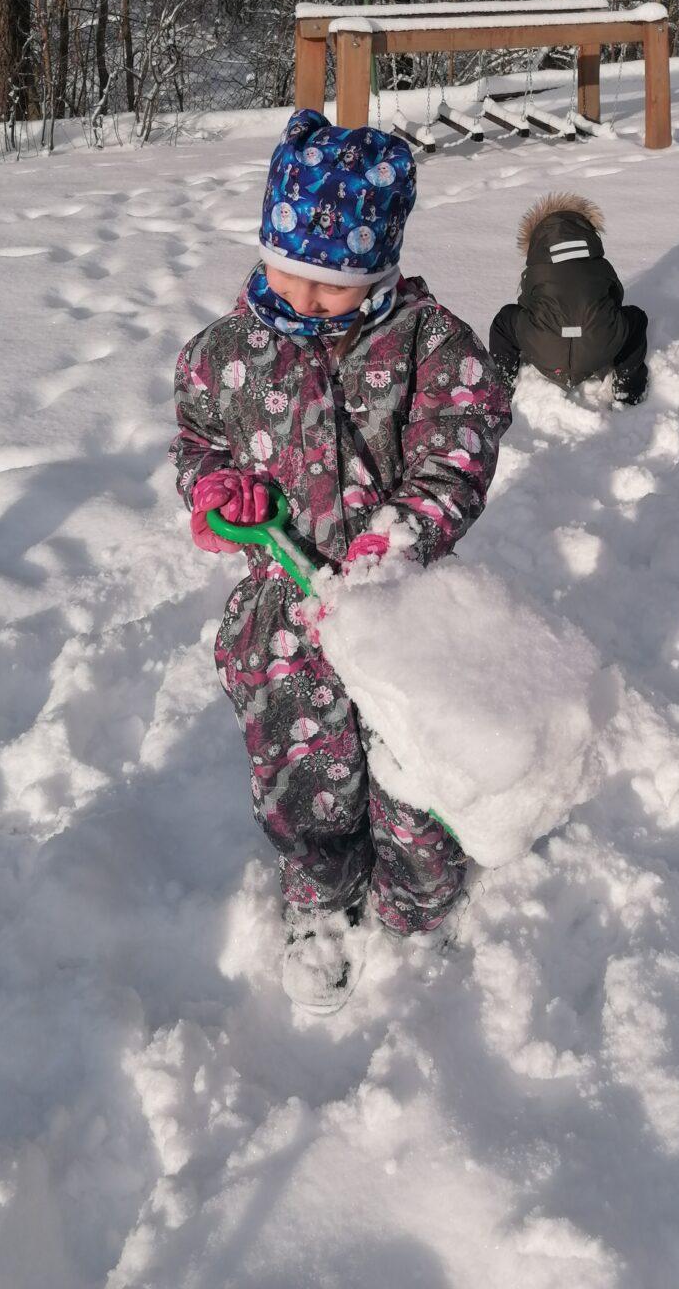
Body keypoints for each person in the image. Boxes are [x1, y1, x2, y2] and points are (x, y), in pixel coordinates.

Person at [170, 109, 511, 1005]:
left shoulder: (432, 344)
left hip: (399, 605)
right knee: (303, 767)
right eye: (294, 272)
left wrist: (400, 535)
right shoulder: (226, 354)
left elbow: (460, 446)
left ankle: (416, 903)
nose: (310, 299)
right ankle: (320, 899)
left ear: (383, 267)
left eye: (337, 285)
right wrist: (216, 495)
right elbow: (199, 440)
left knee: (414, 762)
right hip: (286, 607)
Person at [490, 192, 649, 405]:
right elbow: (616, 296)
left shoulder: (536, 270)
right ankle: (629, 389)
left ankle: (501, 383)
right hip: (598, 348)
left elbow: (526, 303)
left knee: (504, 320)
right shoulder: (600, 266)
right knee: (636, 319)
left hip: (545, 350)